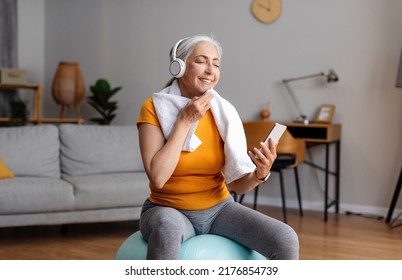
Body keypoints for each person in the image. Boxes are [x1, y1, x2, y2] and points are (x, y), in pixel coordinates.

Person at [136, 34, 299, 260]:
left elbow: (239, 187)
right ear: (179, 67)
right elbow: (158, 177)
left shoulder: (224, 113)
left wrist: (260, 174)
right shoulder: (154, 108)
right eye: (201, 61)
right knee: (168, 227)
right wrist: (185, 121)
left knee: (285, 238)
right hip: (167, 209)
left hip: (220, 209)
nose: (210, 70)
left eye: (216, 64)